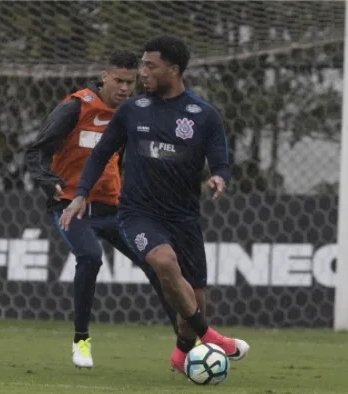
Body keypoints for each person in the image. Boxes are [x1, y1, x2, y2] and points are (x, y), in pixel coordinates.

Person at [59, 36, 250, 372]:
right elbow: (101, 154)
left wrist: (219, 177)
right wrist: (80, 195)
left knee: (192, 306)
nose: (142, 73)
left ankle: (182, 354)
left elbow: (220, 159)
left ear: (172, 70)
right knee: (163, 260)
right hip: (138, 213)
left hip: (184, 216)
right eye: (142, 65)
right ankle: (213, 338)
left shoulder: (204, 115)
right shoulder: (132, 111)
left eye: (150, 66)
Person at [26, 50, 179, 368]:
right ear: (104, 76)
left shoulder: (131, 113)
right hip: (71, 206)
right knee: (91, 257)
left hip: (114, 208)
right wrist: (47, 180)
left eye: (131, 82)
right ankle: (81, 340)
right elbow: (36, 151)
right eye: (119, 81)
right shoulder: (75, 106)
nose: (125, 88)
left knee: (158, 265)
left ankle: (187, 341)